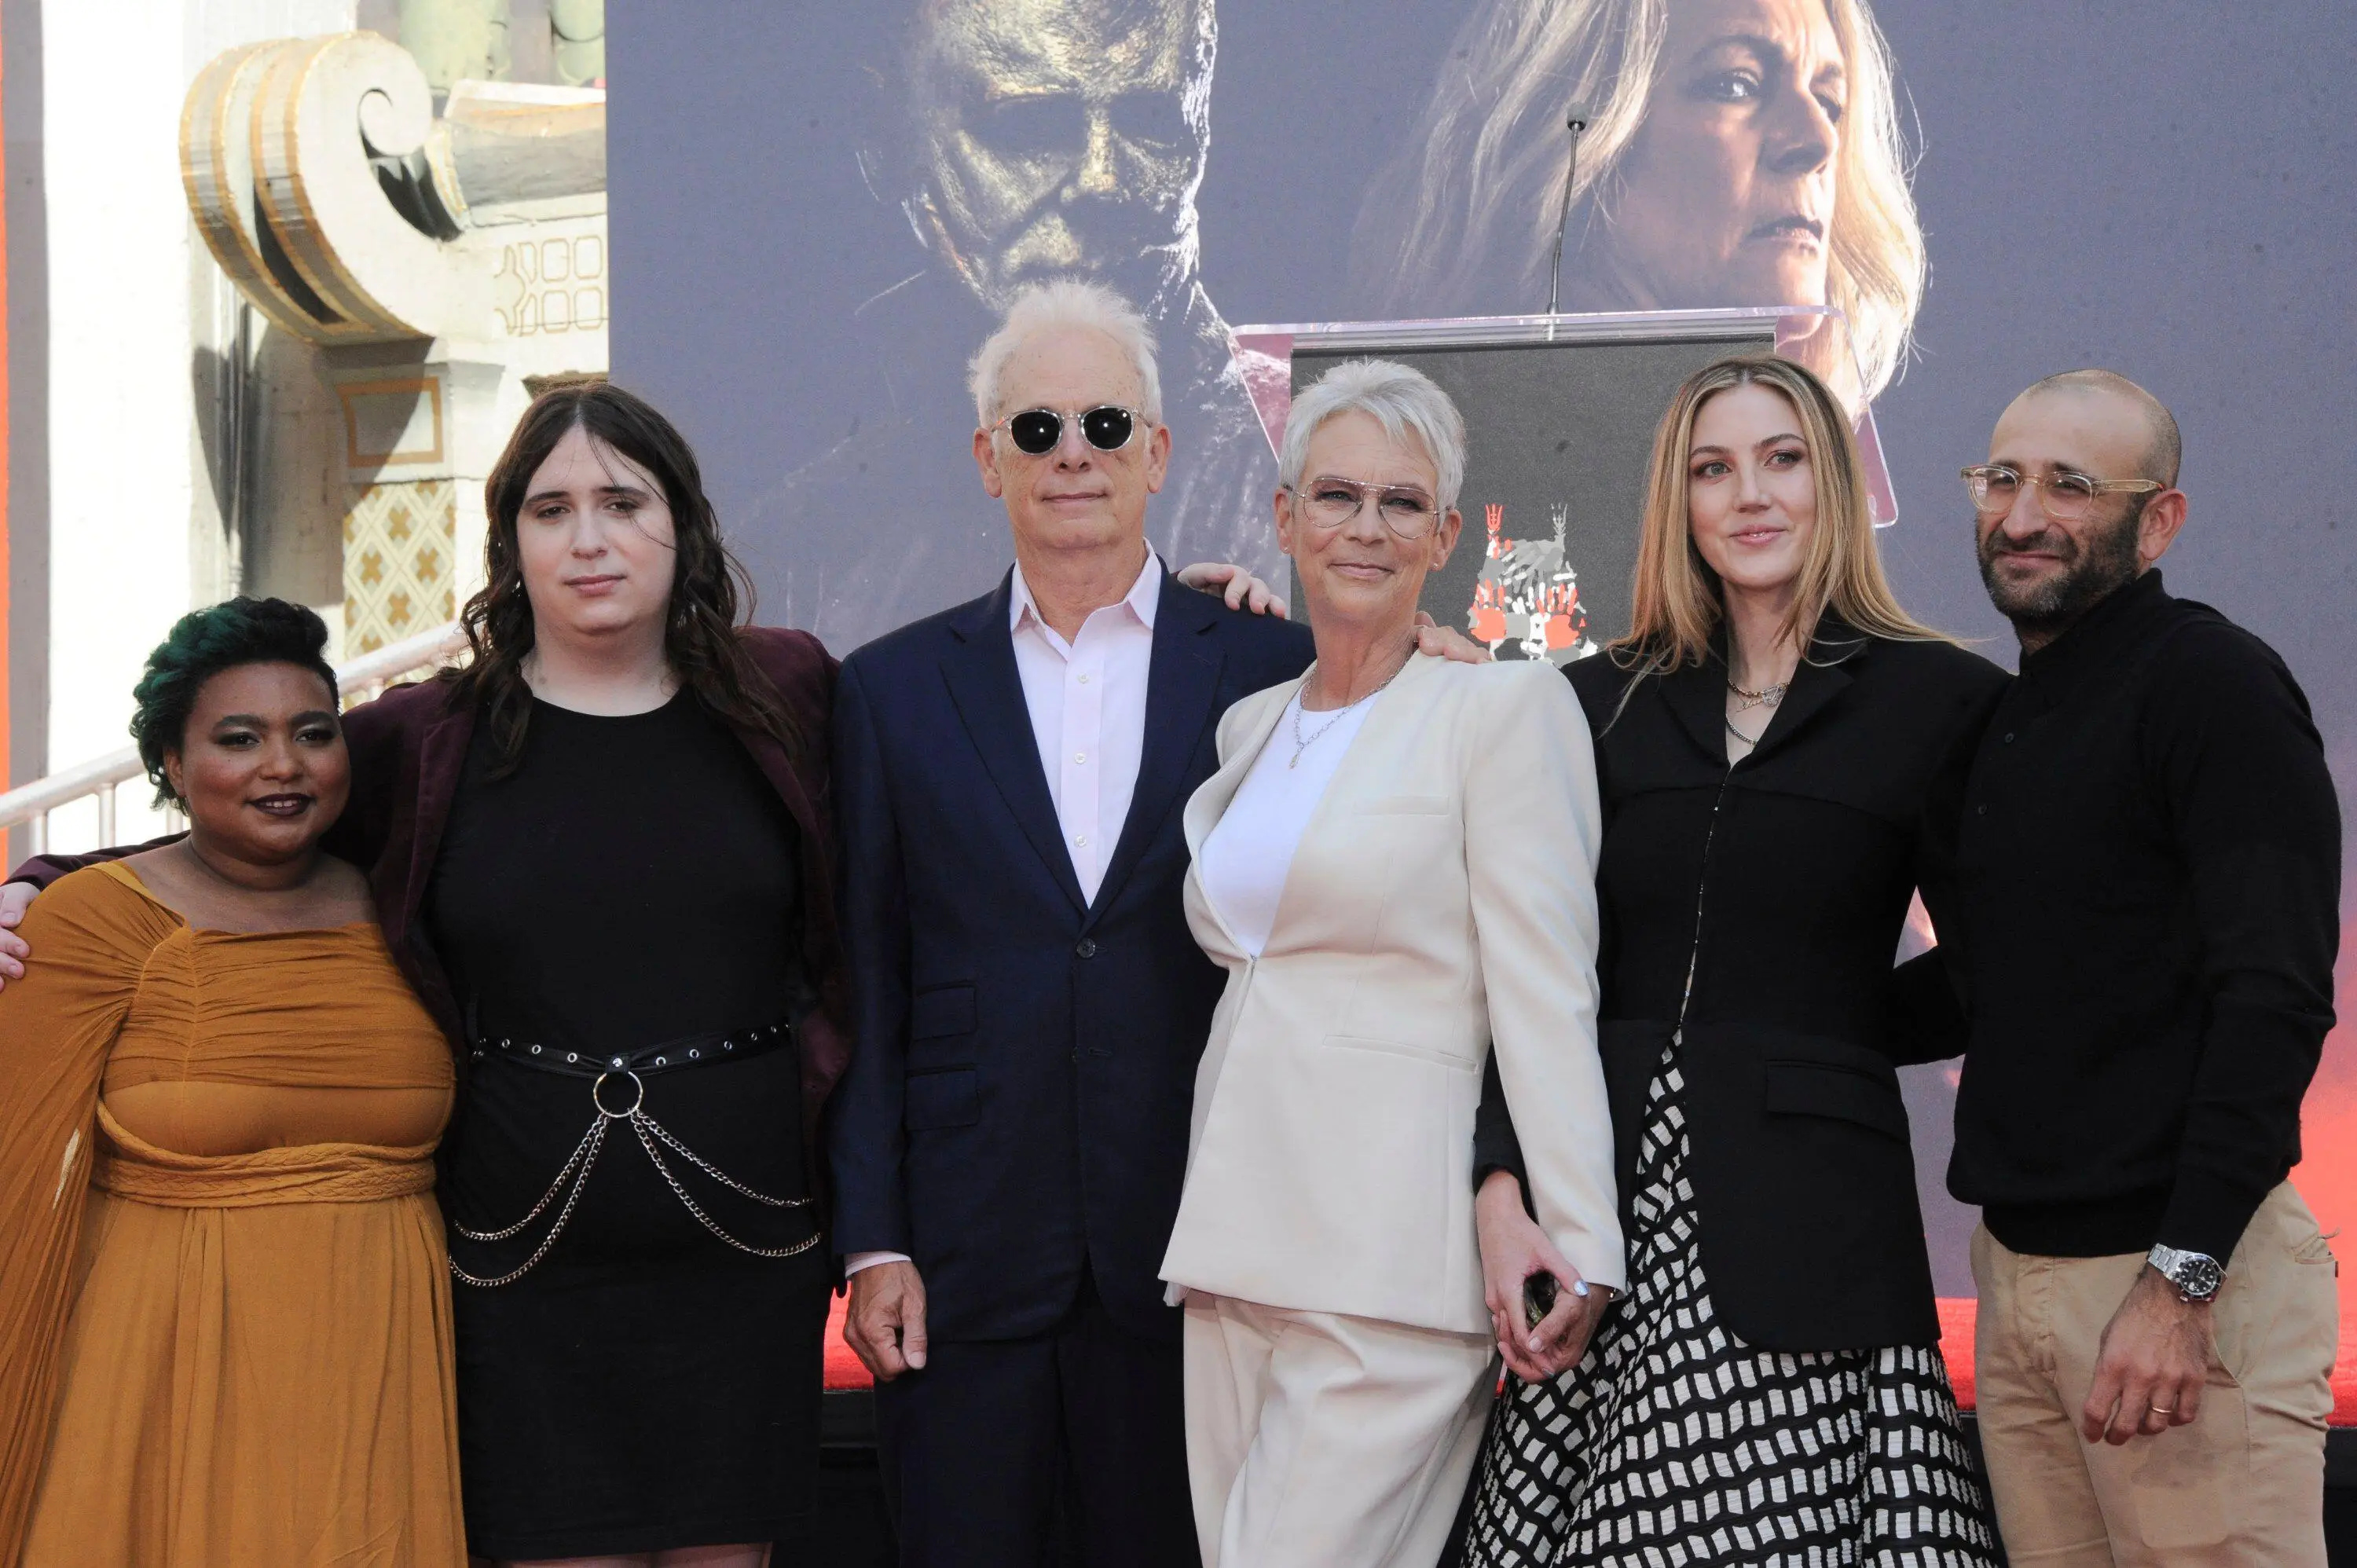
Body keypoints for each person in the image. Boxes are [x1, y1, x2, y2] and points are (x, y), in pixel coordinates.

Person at [5, 383, 852, 1567]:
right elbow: (248, 818)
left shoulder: (790, 693)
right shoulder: (429, 735)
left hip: (742, 1241)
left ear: (684, 524)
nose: (590, 538)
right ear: (509, 542)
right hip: (518, 1249)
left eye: (622, 501)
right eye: (551, 510)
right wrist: (39, 878)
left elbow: (875, 915)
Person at [1461, 354, 2003, 1566]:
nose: (1750, 495)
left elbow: (1988, 972)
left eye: (1782, 458)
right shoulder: (1588, 702)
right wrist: (1500, 1187)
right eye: (1715, 468)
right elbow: (1535, 978)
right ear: (1679, 501)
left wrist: (1813, 1033)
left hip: (1816, 1233)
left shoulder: (1940, 702)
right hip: (1599, 1227)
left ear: (1835, 484)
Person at [826, 277, 1319, 1567]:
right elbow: (868, 985)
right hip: (962, 1266)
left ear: (1159, 451)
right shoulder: (887, 692)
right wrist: (875, 1236)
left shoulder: (1269, 667)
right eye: (1036, 429)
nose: (1074, 455)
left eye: (1106, 424)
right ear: (988, 460)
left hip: (1202, 1260)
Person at [1160, 357, 1623, 1567]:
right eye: (1337, 496)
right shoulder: (1250, 727)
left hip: (1392, 1255)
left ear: (1448, 535)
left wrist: (1577, 1237)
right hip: (1230, 1238)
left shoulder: (1501, 713)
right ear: (1283, 516)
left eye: (1402, 503)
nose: (1366, 528)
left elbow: (1547, 990)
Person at [1945, 369, 2341, 1564]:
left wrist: (2182, 1285)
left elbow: (2273, 994)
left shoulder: (2210, 685)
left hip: (2176, 1289)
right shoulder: (2018, 716)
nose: (2022, 516)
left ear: (2157, 520)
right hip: (2018, 1289)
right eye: (2002, 478)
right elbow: (1995, 979)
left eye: (2071, 486)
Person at [0, 599, 466, 1565]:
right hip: (156, 1372)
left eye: (312, 733)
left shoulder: (410, 910)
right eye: (239, 737)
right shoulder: (90, 922)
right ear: (171, 762)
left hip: (375, 1370)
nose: (283, 765)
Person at [758, 0, 1281, 650]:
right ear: (887, 141)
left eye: (1153, 121)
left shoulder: (1313, 479)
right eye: (1029, 127)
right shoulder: (804, 540)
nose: (1103, 182)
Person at [1348, 0, 1921, 407]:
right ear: (1587, 139)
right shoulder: (1383, 460)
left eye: (1830, 101)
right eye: (1736, 84)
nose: (1819, 141)